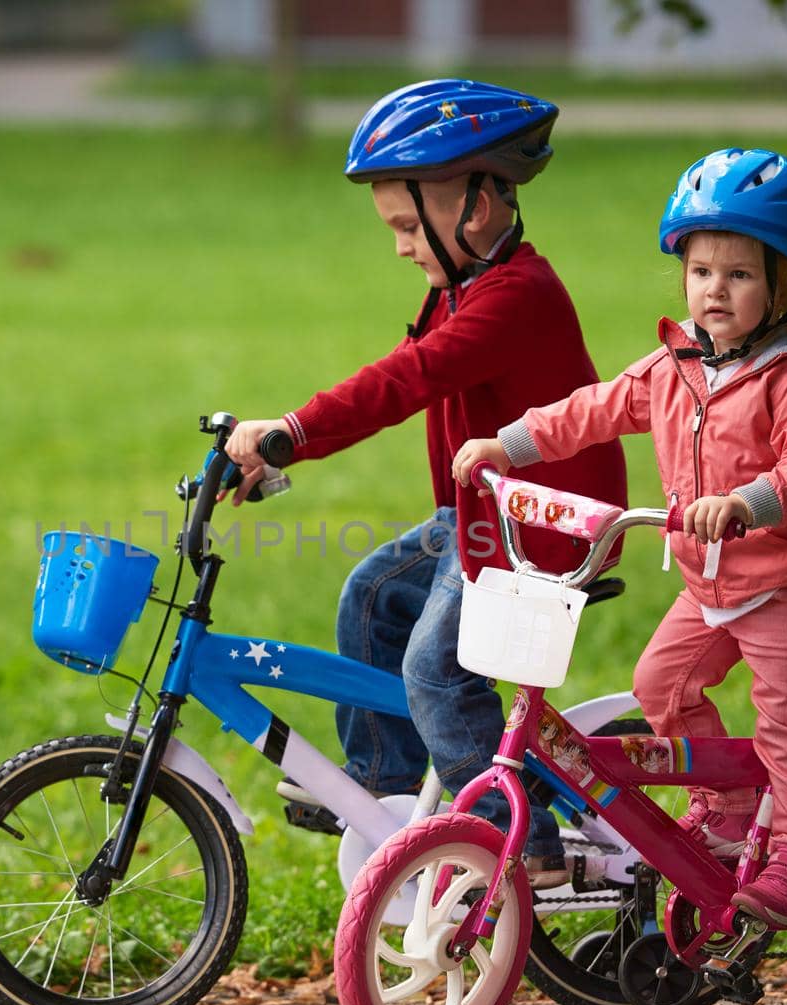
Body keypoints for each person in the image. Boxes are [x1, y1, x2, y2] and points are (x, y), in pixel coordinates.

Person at [225, 80, 628, 886]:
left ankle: (513, 837)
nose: (403, 245)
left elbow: (405, 380)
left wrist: (291, 433)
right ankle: (390, 791)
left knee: (435, 669)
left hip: (542, 528)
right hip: (479, 518)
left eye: (409, 225)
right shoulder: (463, 285)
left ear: (476, 208)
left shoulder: (516, 297)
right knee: (371, 597)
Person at [453, 147, 787, 923]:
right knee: (661, 688)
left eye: (740, 275)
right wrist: (507, 445)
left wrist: (748, 501)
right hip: (710, 585)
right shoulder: (675, 367)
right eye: (702, 270)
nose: (715, 290)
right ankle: (728, 808)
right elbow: (593, 408)